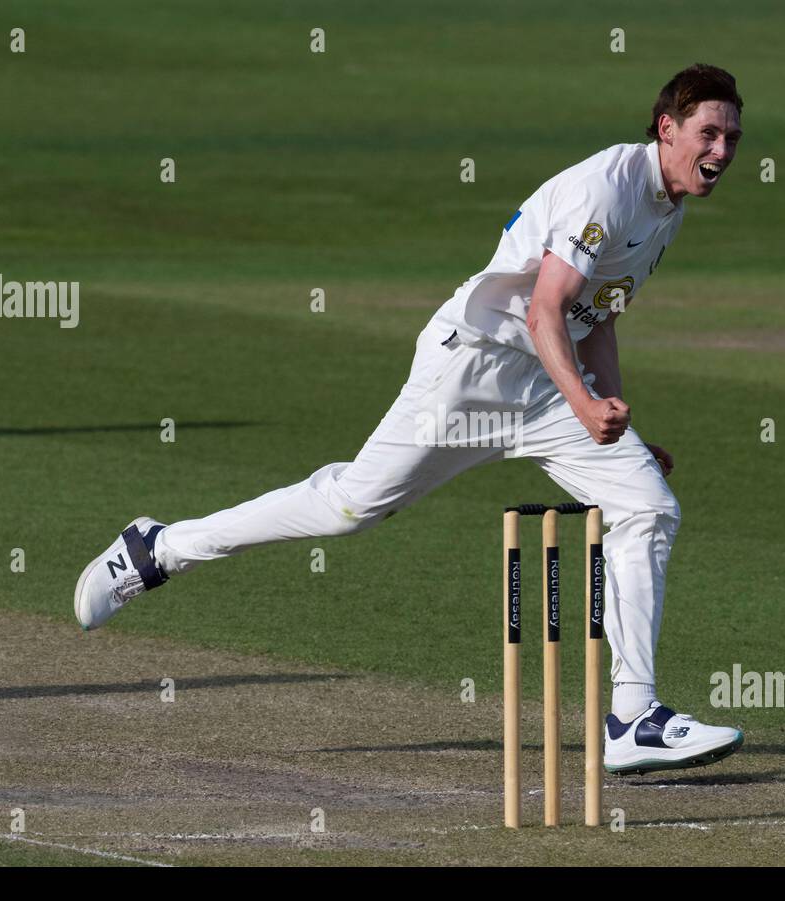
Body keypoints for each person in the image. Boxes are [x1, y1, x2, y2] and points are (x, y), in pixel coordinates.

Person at [75, 64, 747, 775]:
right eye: (710, 133)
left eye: (733, 137)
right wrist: (585, 404)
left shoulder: (664, 207)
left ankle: (632, 716)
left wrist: (612, 414)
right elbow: (548, 307)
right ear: (667, 128)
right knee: (348, 508)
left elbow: (596, 318)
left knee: (646, 507)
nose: (724, 151)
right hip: (472, 373)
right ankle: (159, 549)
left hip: (546, 384)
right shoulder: (605, 188)